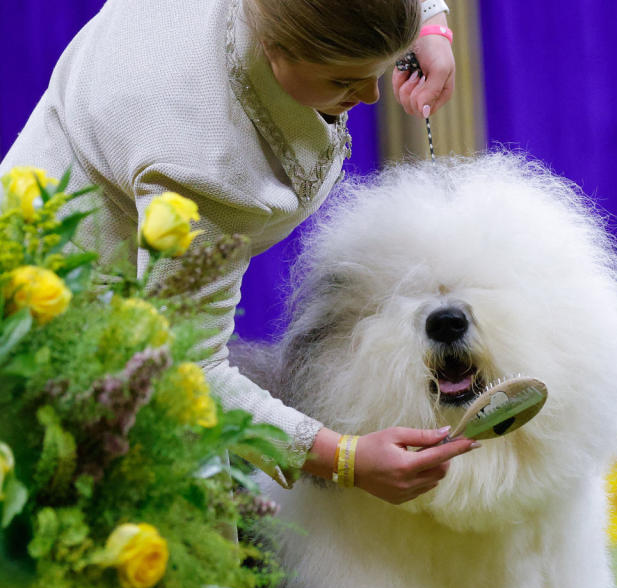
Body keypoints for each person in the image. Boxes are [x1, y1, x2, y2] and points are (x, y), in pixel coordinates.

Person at [0, 0, 476, 502]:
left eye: (381, 69)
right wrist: (342, 457)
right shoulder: (202, 162)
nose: (371, 95)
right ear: (274, 49)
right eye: (343, 81)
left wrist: (422, 22)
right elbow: (188, 368)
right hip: (53, 316)